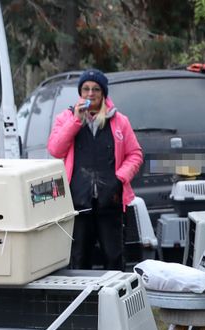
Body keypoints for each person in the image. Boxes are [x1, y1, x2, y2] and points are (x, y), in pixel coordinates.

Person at [47, 68, 143, 271]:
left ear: (103, 93)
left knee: (113, 255)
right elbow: (55, 149)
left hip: (110, 201)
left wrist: (120, 178)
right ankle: (82, 301)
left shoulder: (119, 121)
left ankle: (112, 299)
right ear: (80, 93)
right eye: (86, 89)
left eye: (96, 89)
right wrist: (75, 121)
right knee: (79, 255)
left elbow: (135, 154)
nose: (90, 94)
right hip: (78, 201)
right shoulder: (66, 118)